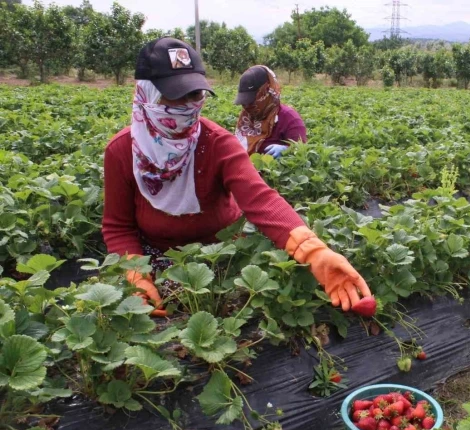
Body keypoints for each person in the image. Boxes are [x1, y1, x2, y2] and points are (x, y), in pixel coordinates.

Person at [102, 38, 370, 316]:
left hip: (225, 254)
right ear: (146, 94)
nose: (188, 106)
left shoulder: (217, 143)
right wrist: (136, 274)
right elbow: (118, 227)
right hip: (157, 255)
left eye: (195, 94)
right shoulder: (122, 152)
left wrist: (314, 251)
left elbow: (259, 198)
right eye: (175, 95)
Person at [234, 65, 307, 159]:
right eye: (244, 102)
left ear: (267, 92)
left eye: (251, 101)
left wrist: (287, 150)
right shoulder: (246, 118)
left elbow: (302, 152)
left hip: (272, 172)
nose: (247, 106)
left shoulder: (290, 119)